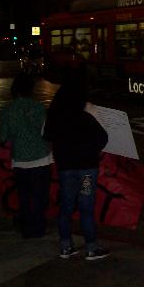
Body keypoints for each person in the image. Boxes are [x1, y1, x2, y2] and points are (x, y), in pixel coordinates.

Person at [43, 72, 109, 260]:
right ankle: (91, 247)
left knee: (66, 205)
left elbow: (47, 135)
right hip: (87, 169)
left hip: (66, 169)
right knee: (86, 206)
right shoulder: (85, 115)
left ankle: (66, 246)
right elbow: (103, 138)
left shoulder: (56, 115)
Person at [0, 72, 52, 239]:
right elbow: (46, 133)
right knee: (40, 196)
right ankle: (39, 228)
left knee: (24, 196)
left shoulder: (8, 110)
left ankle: (27, 229)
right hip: (41, 159)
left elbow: (3, 137)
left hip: (20, 161)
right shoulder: (39, 108)